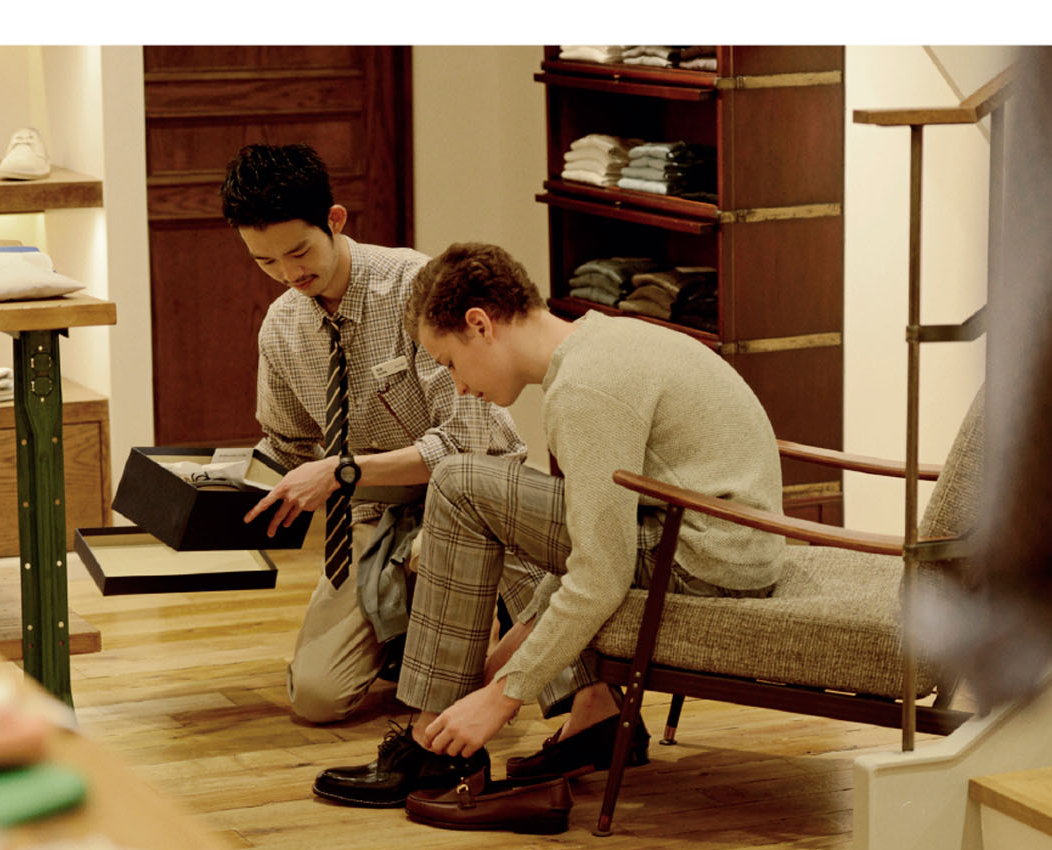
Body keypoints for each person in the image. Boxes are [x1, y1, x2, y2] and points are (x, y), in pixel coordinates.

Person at [308, 240, 786, 813]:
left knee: (459, 481)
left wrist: (502, 695)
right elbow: (597, 535)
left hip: (706, 563)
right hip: (716, 540)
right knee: (485, 489)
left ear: (480, 325)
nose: (458, 386)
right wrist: (511, 652)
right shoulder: (601, 340)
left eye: (450, 363)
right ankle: (579, 718)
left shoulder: (585, 391)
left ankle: (432, 741)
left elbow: (600, 574)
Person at [222, 144, 567, 758]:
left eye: (298, 252)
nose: (287, 273)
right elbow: (287, 444)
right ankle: (413, 636)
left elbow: (469, 438)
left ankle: (466, 642)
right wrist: (214, 484)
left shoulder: (414, 287)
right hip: (374, 509)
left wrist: (343, 471)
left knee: (548, 675)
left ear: (335, 219)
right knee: (317, 697)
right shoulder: (281, 325)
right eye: (264, 260)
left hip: (476, 485)